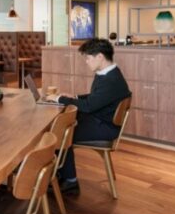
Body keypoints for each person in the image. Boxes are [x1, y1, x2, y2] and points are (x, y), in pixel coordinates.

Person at [45, 38, 131, 195]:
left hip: (105, 128)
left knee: (60, 133)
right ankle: (59, 173)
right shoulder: (108, 73)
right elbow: (96, 98)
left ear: (100, 57)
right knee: (62, 125)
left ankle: (70, 181)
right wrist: (75, 97)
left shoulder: (110, 80)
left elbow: (89, 106)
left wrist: (59, 99)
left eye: (88, 58)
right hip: (101, 120)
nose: (86, 62)